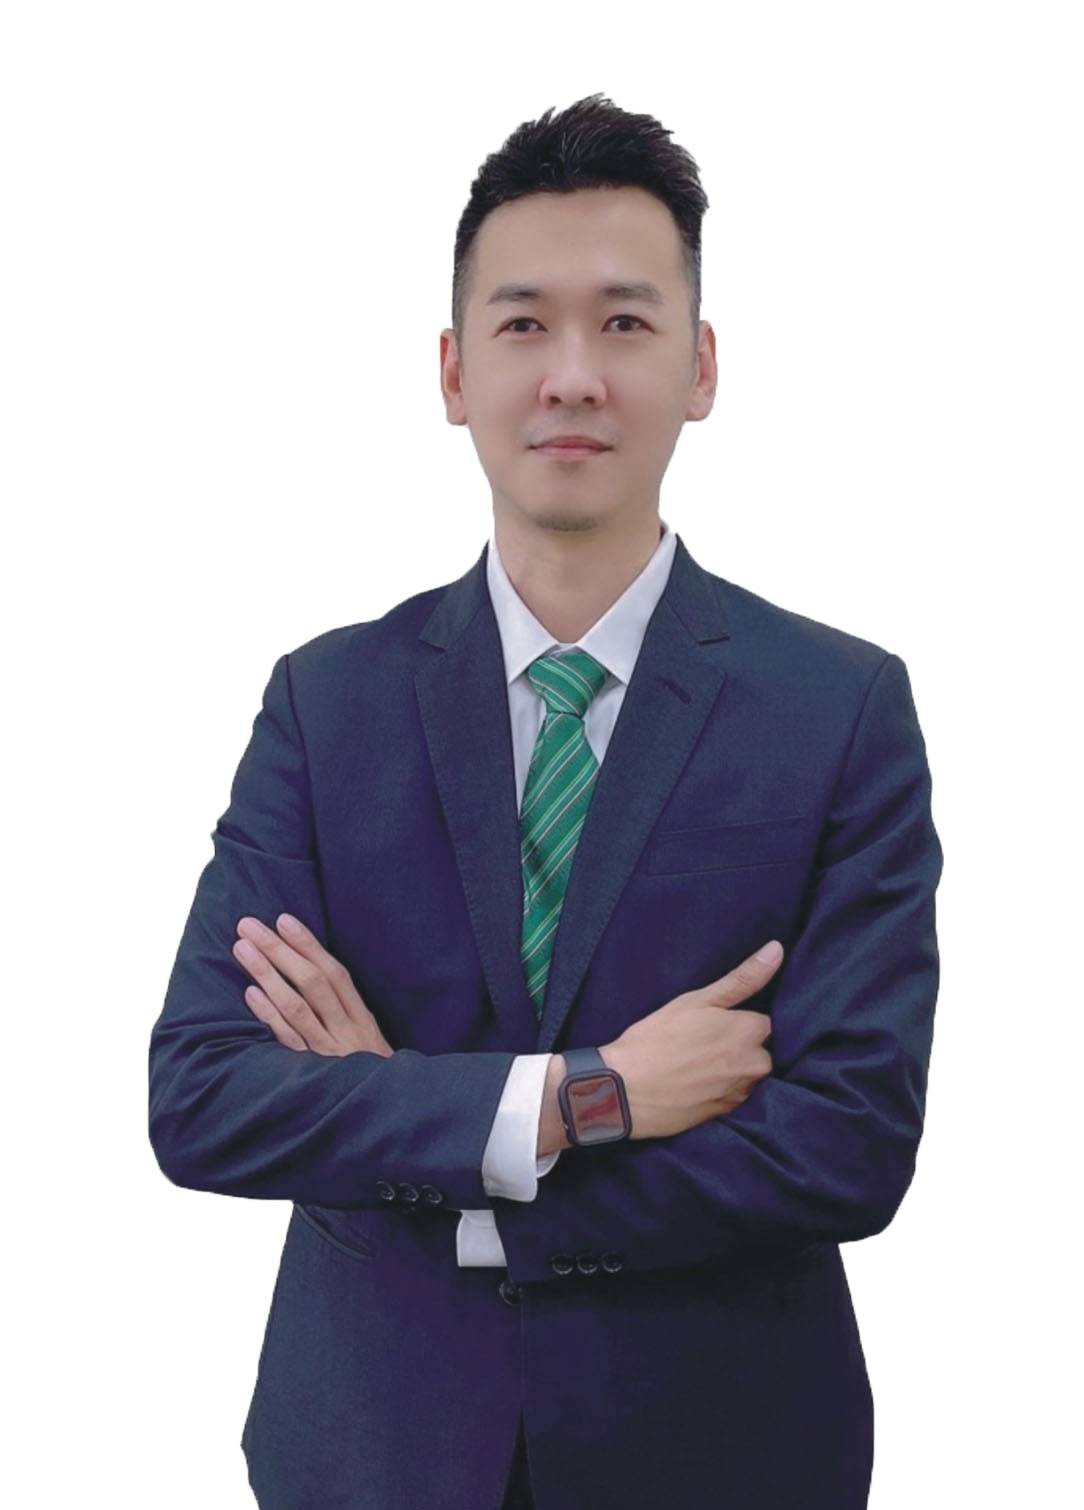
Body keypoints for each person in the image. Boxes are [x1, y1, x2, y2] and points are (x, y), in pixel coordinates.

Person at [148, 91, 943, 1510]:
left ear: (701, 367)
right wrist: (589, 1098)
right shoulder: (328, 705)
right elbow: (206, 1098)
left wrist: (426, 1147)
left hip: (722, 1454)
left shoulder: (838, 708)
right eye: (524, 325)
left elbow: (849, 1144)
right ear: (455, 371)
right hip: (374, 1449)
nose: (574, 375)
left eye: (625, 323)